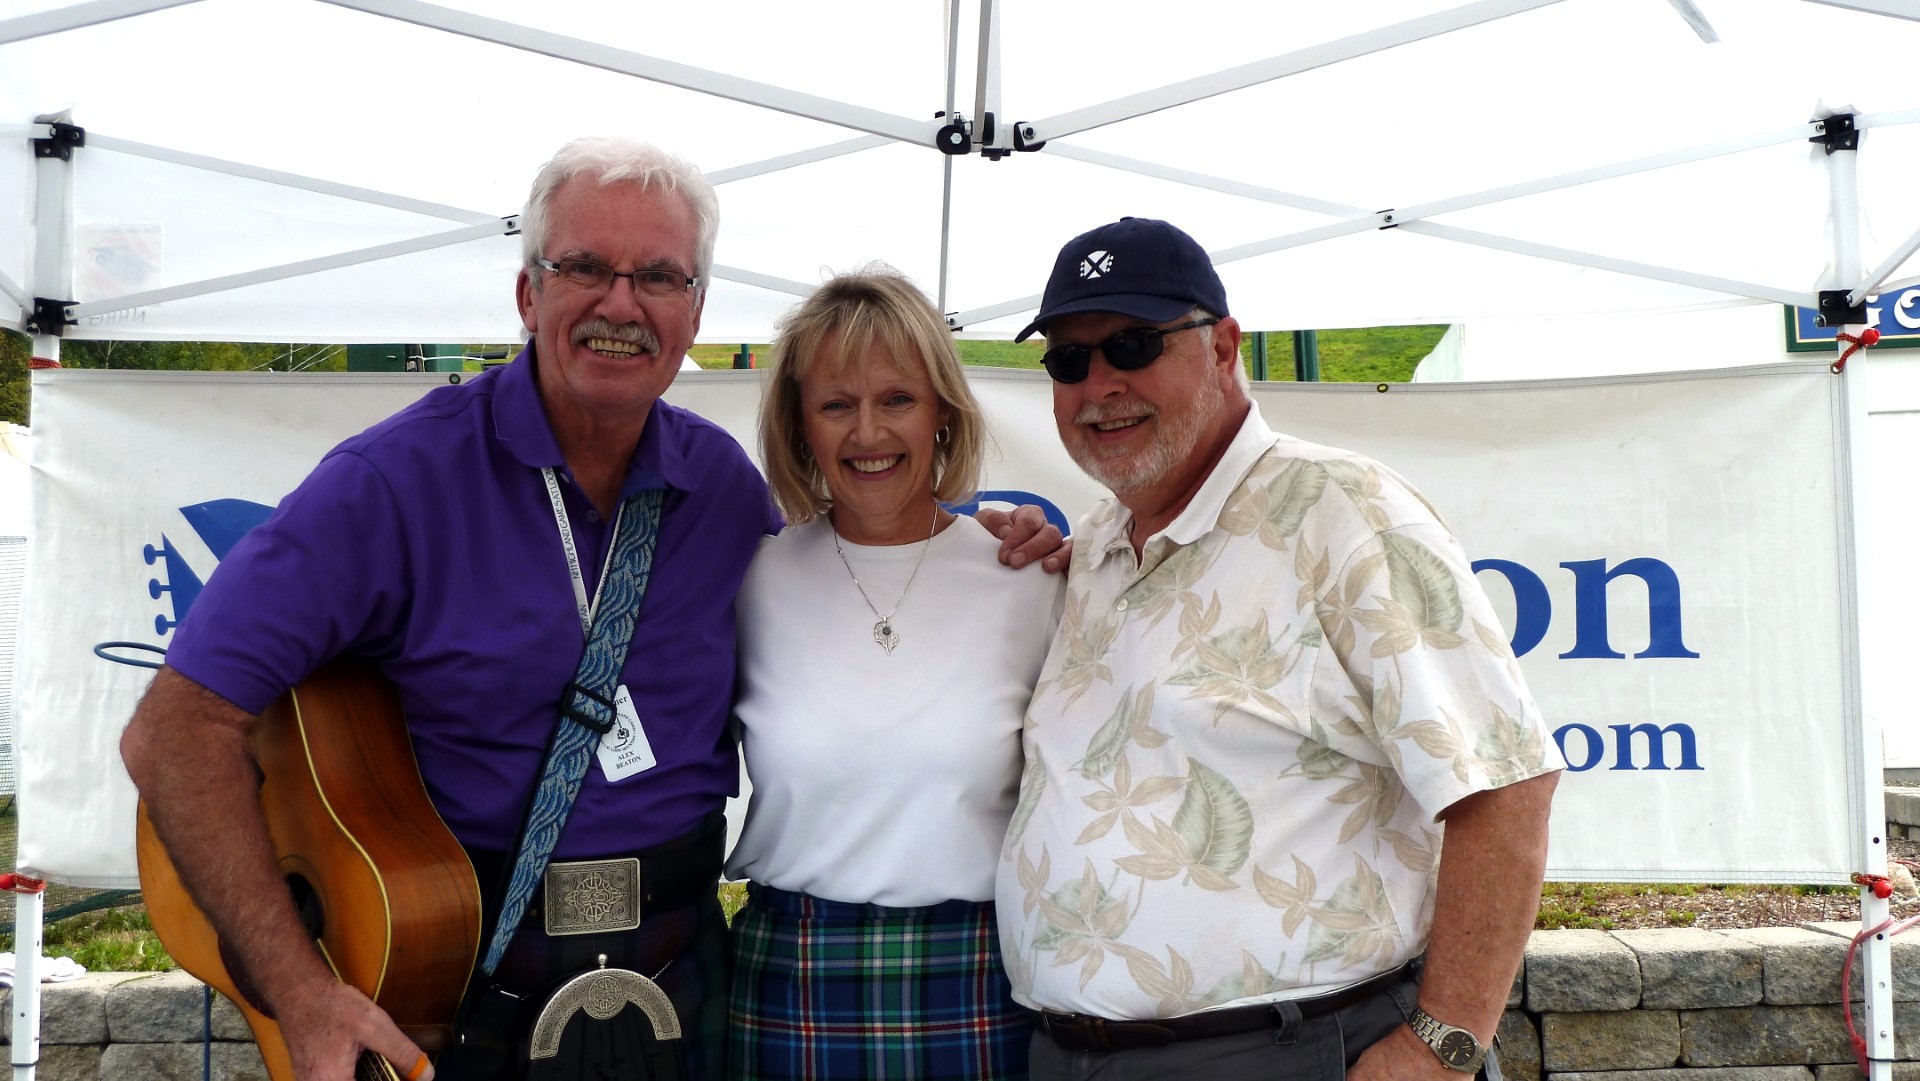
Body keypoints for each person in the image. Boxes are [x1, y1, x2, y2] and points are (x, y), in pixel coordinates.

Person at [118, 137, 1062, 1081]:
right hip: (462, 977)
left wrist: (984, 535)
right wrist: (299, 990)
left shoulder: (722, 494)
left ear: (694, 311)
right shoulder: (392, 485)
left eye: (659, 275)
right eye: (585, 267)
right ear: (529, 292)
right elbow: (175, 730)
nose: (621, 303)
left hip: (681, 962)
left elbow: (865, 566)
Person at [993, 217, 1565, 1081]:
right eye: (1069, 361)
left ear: (1224, 347)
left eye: (1134, 344)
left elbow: (1505, 780)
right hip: (1069, 1055)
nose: (1098, 383)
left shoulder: (1345, 510)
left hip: (1286, 1049)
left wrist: (1441, 1048)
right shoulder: (1101, 545)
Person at [724, 267, 1061, 1081]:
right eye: (837, 404)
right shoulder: (745, 580)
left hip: (979, 980)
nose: (868, 432)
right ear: (800, 426)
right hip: (788, 985)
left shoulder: (1033, 577)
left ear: (943, 411)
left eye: (897, 399)